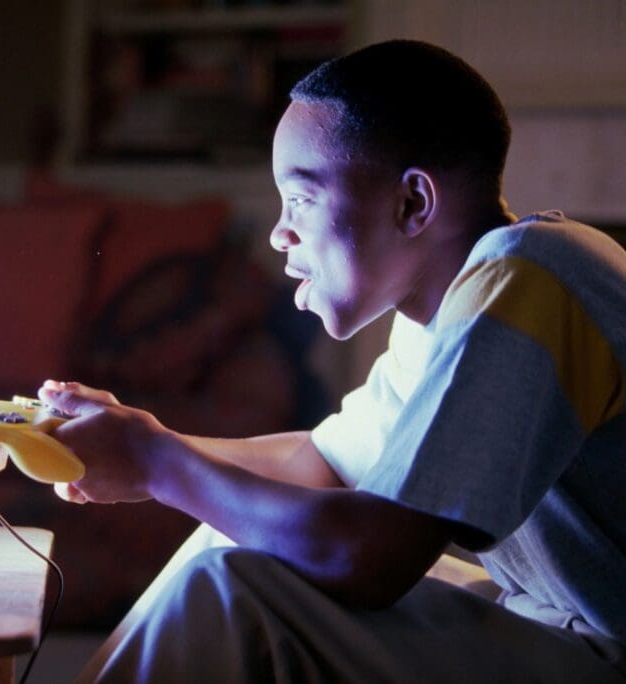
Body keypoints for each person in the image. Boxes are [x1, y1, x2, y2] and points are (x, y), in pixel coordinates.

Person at [37, 39, 626, 683]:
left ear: (413, 204)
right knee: (232, 538)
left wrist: (156, 464)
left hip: (604, 648)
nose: (278, 232)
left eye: (302, 199)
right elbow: (319, 464)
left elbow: (369, 559)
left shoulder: (531, 274)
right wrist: (139, 440)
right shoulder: (451, 312)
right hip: (553, 622)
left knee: (235, 590)